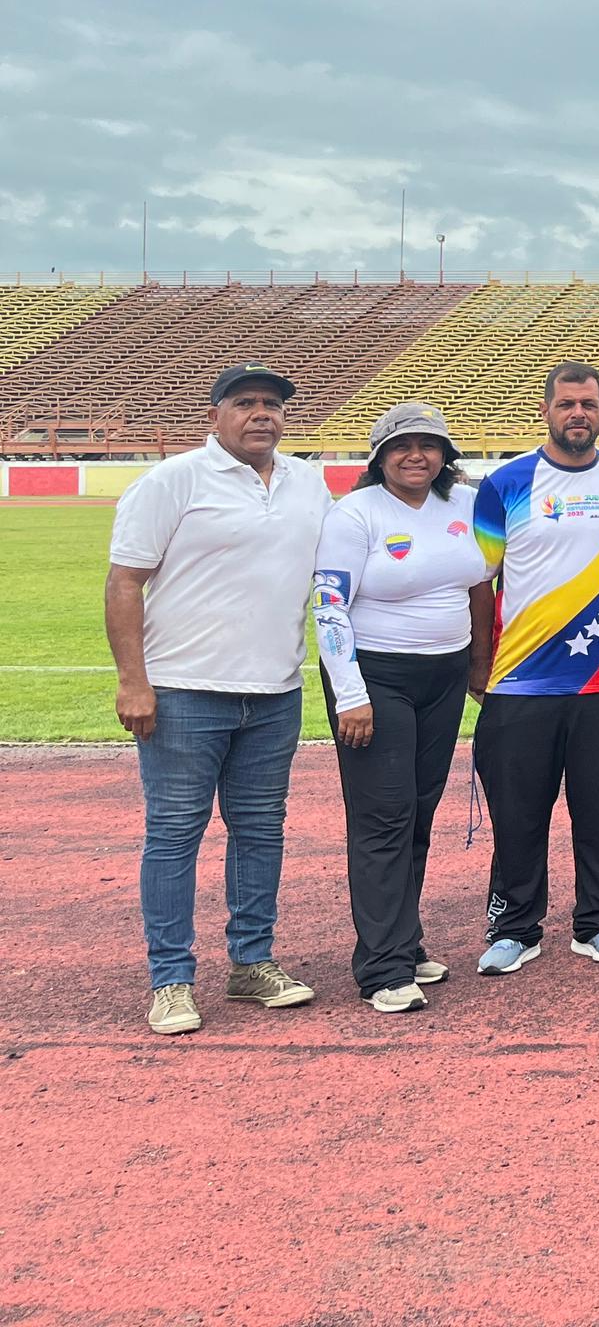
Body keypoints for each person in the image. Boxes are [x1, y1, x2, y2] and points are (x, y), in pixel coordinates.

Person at [107, 363, 332, 1035]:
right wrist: (133, 680)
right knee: (174, 835)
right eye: (245, 403)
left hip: (275, 691)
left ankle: (252, 962)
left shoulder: (307, 482)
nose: (262, 414)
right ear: (214, 417)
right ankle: (171, 979)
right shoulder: (172, 481)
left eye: (273, 404)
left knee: (261, 832)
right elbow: (125, 582)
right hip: (183, 690)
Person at [470, 361, 599, 974]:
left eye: (589, 404)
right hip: (519, 680)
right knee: (517, 814)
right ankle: (514, 928)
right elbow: (480, 581)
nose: (579, 413)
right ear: (546, 411)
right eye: (567, 403)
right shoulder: (505, 484)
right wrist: (479, 667)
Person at [312, 401, 492, 1013]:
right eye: (401, 446)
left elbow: (480, 585)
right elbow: (329, 607)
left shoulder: (465, 505)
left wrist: (477, 664)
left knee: (417, 810)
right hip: (375, 679)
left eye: (428, 445)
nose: (416, 456)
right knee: (383, 816)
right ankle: (382, 967)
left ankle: (404, 943)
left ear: (446, 455)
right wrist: (351, 694)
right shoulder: (355, 514)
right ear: (379, 456)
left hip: (444, 676)